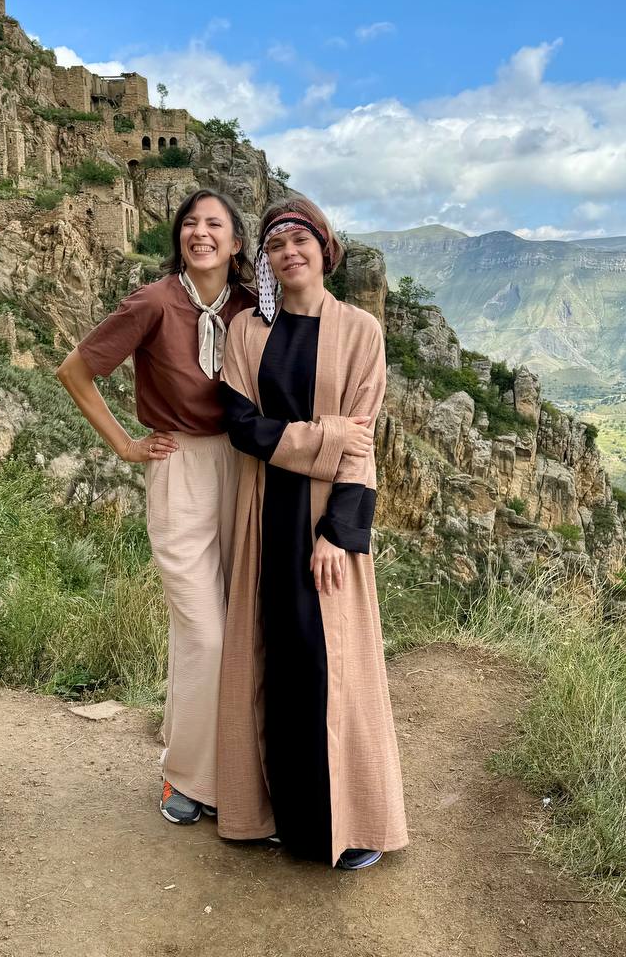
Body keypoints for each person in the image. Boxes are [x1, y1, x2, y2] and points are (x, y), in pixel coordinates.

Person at [214, 196, 408, 871]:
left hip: (325, 523)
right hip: (264, 516)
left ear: (325, 249)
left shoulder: (359, 331)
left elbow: (363, 442)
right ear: (265, 261)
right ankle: (281, 818)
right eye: (274, 244)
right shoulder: (247, 332)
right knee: (278, 664)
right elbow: (242, 427)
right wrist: (324, 435)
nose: (288, 252)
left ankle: (351, 823)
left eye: (300, 240)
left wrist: (336, 533)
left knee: (332, 665)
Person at [56, 188, 255, 825]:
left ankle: (221, 764)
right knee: (204, 632)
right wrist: (124, 445)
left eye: (214, 224)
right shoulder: (153, 302)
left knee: (235, 628)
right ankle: (185, 777)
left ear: (237, 242)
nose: (200, 233)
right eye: (190, 223)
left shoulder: (251, 307)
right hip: (180, 468)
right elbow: (75, 371)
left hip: (246, 469)